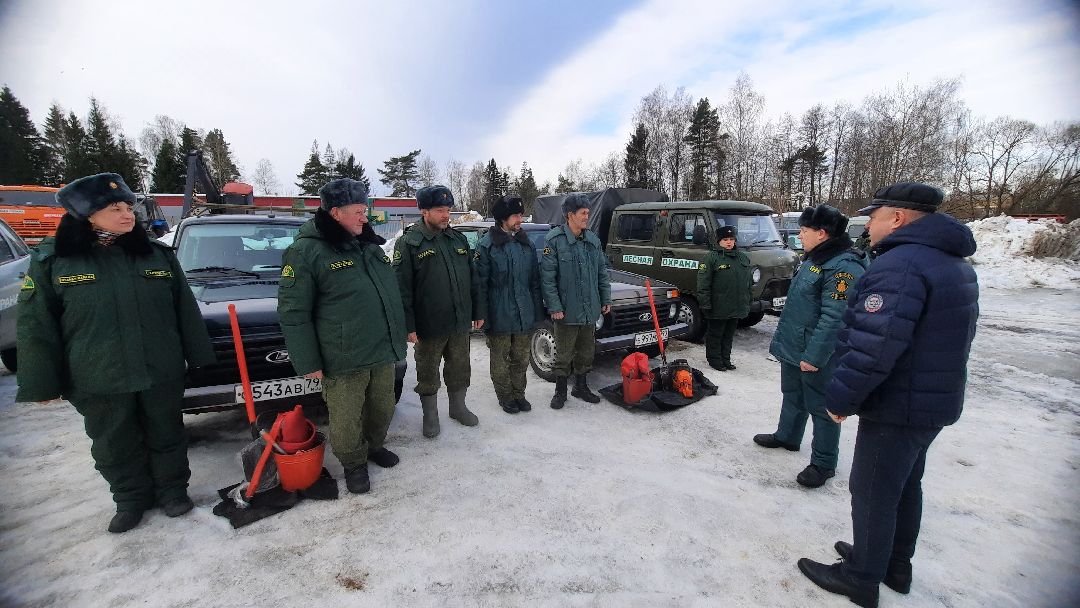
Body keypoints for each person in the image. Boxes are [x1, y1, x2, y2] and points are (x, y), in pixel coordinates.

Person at [797, 183, 979, 608]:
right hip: (931, 400)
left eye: (874, 217)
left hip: (898, 403)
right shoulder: (950, 261)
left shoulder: (900, 266)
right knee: (905, 484)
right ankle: (894, 564)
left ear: (897, 218)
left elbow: (874, 345)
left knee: (873, 489)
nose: (868, 226)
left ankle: (861, 578)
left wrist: (841, 398)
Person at [16, 173, 215, 534]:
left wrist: (199, 357)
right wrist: (41, 382)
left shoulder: (155, 255)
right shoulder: (55, 260)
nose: (127, 215)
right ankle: (130, 499)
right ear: (86, 215)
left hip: (159, 367)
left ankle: (173, 491)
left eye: (128, 207)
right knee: (113, 440)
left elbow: (184, 309)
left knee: (167, 432)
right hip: (98, 372)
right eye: (115, 209)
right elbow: (36, 325)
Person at [278, 178, 407, 494]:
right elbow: (294, 312)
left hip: (381, 348)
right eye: (358, 211)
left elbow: (388, 295)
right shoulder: (306, 251)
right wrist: (308, 361)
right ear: (335, 212)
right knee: (347, 416)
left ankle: (374, 446)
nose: (365, 217)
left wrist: (399, 335)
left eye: (365, 210)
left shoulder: (368, 245)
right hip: (343, 354)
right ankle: (353, 463)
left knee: (383, 406)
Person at [754, 205, 869, 488]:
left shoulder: (843, 266)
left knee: (821, 406)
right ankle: (788, 436)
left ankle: (823, 463)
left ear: (822, 233)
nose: (799, 236)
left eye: (804, 231)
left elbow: (835, 318)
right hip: (796, 345)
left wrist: (815, 356)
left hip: (818, 352)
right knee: (792, 394)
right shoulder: (816, 258)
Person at [393, 185, 481, 438]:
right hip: (428, 325)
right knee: (428, 371)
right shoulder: (409, 243)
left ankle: (458, 407)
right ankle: (430, 415)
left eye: (448, 210)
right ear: (424, 211)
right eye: (440, 210)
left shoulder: (458, 240)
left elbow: (473, 279)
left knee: (460, 367)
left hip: (459, 321)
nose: (446, 215)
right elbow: (401, 289)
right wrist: (408, 325)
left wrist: (477, 310)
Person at [474, 195, 545, 414]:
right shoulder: (487, 245)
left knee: (521, 359)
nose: (520, 219)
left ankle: (519, 394)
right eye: (515, 215)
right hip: (499, 314)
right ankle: (505, 397)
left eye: (521, 215)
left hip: (524, 314)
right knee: (500, 360)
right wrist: (481, 315)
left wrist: (537, 312)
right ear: (503, 218)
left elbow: (534, 282)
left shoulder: (526, 244)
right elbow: (480, 285)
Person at [540, 193, 612, 409]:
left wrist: (605, 298)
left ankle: (580, 387)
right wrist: (554, 306)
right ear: (570, 215)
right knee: (563, 353)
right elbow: (548, 278)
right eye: (583, 213)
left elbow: (602, 273)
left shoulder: (593, 241)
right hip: (566, 311)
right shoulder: (555, 240)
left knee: (586, 352)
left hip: (589, 310)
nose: (587, 217)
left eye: (588, 213)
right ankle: (560, 391)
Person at [696, 225, 751, 371]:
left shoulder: (742, 258)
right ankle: (715, 361)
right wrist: (705, 304)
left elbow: (748, 283)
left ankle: (726, 359)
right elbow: (703, 284)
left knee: (728, 335)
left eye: (731, 239)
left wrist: (747, 301)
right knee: (716, 334)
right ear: (719, 241)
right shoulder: (711, 258)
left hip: (736, 305)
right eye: (725, 239)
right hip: (718, 306)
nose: (729, 242)